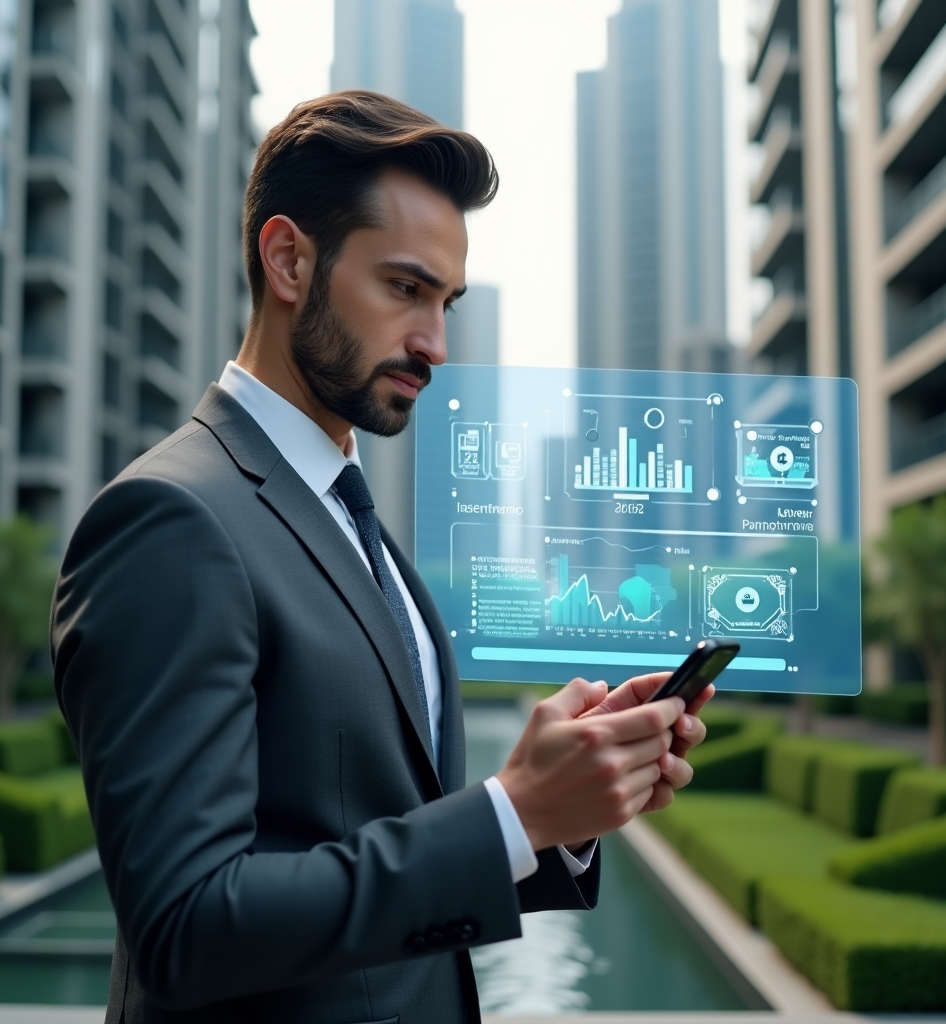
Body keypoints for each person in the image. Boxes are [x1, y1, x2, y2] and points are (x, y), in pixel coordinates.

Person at [51, 90, 712, 1024]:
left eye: (446, 301)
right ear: (288, 260)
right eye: (404, 288)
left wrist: (560, 818)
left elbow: (382, 858)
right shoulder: (169, 520)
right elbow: (185, 928)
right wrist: (511, 813)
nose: (435, 344)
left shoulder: (361, 531)